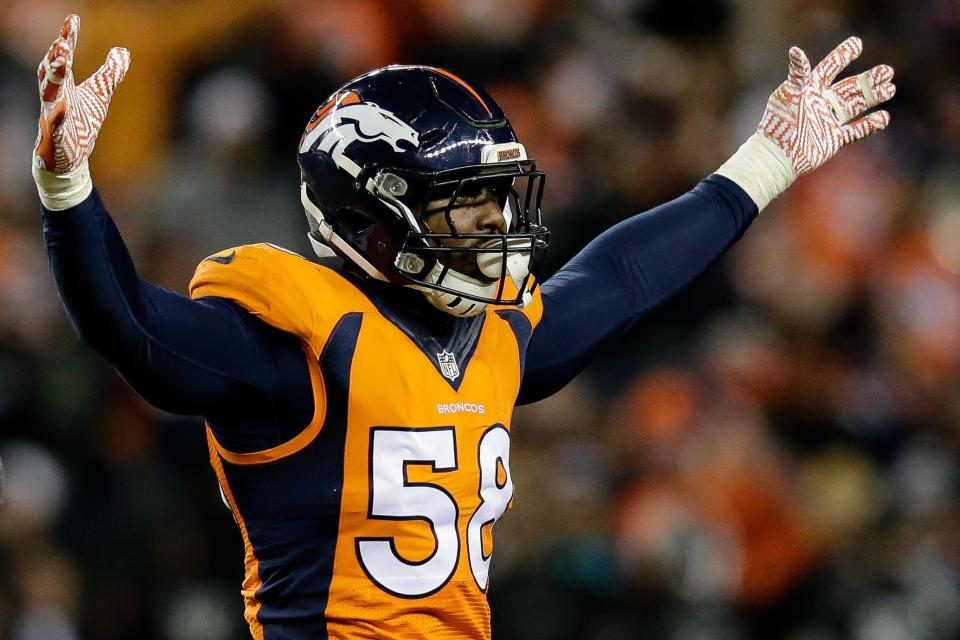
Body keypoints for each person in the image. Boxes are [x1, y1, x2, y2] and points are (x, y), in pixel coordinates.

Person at [33, 13, 895, 640]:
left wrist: (769, 157)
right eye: (462, 205)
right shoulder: (291, 348)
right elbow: (128, 326)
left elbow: (626, 276)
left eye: (495, 199)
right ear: (368, 221)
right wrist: (70, 189)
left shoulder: (492, 336)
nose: (492, 226)